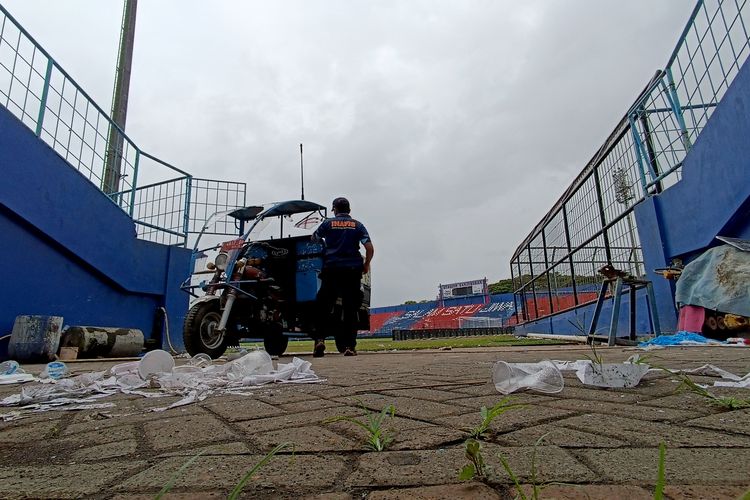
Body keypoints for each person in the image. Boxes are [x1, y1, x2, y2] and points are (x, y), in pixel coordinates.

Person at [311, 197, 374, 357]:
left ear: (335, 210)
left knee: (323, 306)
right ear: (349, 210)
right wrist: (366, 265)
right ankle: (349, 347)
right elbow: (369, 247)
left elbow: (315, 238)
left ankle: (319, 340)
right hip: (352, 270)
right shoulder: (358, 225)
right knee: (350, 309)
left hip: (331, 269)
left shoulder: (327, 224)